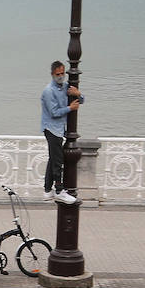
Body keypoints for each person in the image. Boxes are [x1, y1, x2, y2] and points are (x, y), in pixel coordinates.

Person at [40, 60, 81, 204]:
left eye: (63, 73)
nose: (61, 76)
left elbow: (79, 101)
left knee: (53, 159)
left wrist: (78, 94)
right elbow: (54, 112)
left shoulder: (65, 87)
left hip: (59, 129)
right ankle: (59, 190)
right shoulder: (48, 91)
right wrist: (70, 108)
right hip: (51, 129)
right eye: (58, 74)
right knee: (58, 160)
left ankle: (47, 190)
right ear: (52, 74)